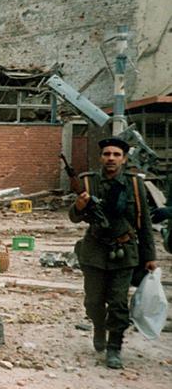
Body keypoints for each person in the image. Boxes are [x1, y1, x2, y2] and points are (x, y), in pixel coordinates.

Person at [69, 137, 158, 369]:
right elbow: (74, 217)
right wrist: (78, 207)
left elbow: (145, 223)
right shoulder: (88, 183)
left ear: (124, 159)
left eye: (116, 155)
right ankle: (99, 327)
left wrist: (150, 256)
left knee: (118, 302)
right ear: (101, 157)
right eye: (107, 154)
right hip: (95, 251)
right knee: (93, 301)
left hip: (125, 251)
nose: (111, 158)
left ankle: (114, 348)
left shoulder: (135, 186)